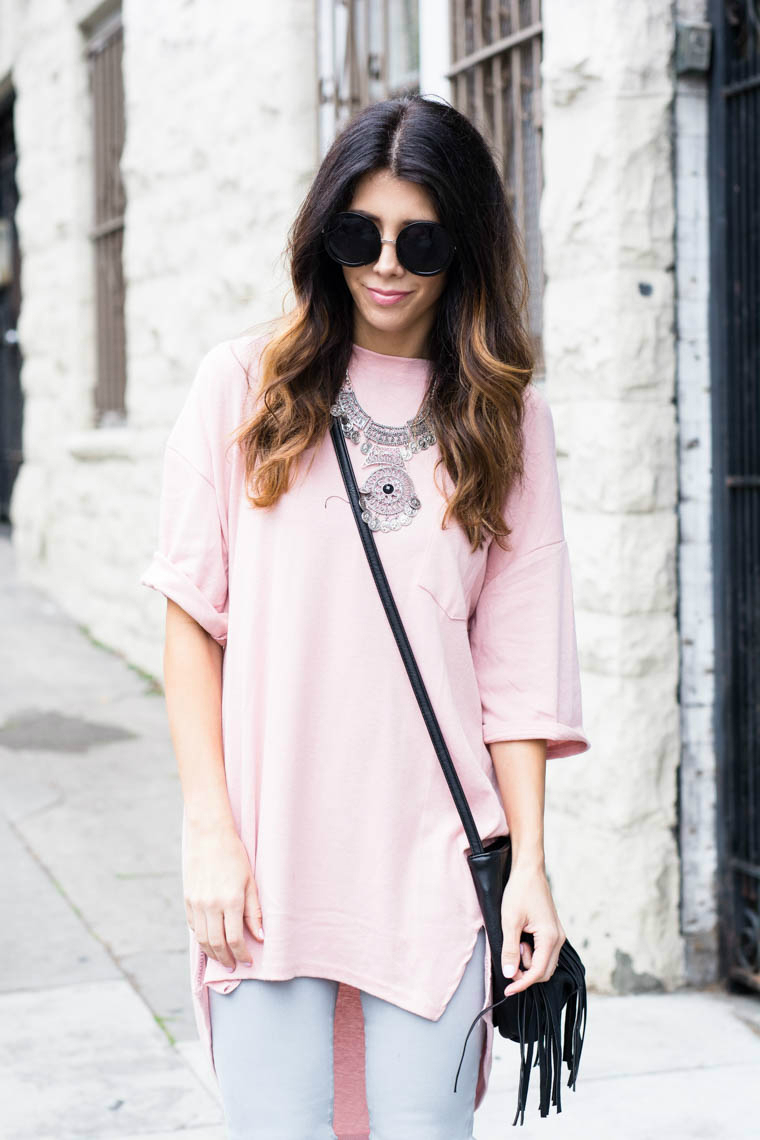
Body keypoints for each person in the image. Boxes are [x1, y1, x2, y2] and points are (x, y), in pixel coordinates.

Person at [140, 93, 590, 1140]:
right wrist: (211, 833)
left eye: (419, 240)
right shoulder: (242, 389)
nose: (385, 264)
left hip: (431, 860)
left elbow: (515, 671)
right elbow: (190, 624)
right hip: (268, 854)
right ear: (322, 232)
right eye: (359, 232)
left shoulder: (507, 420)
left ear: (464, 247)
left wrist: (528, 866)